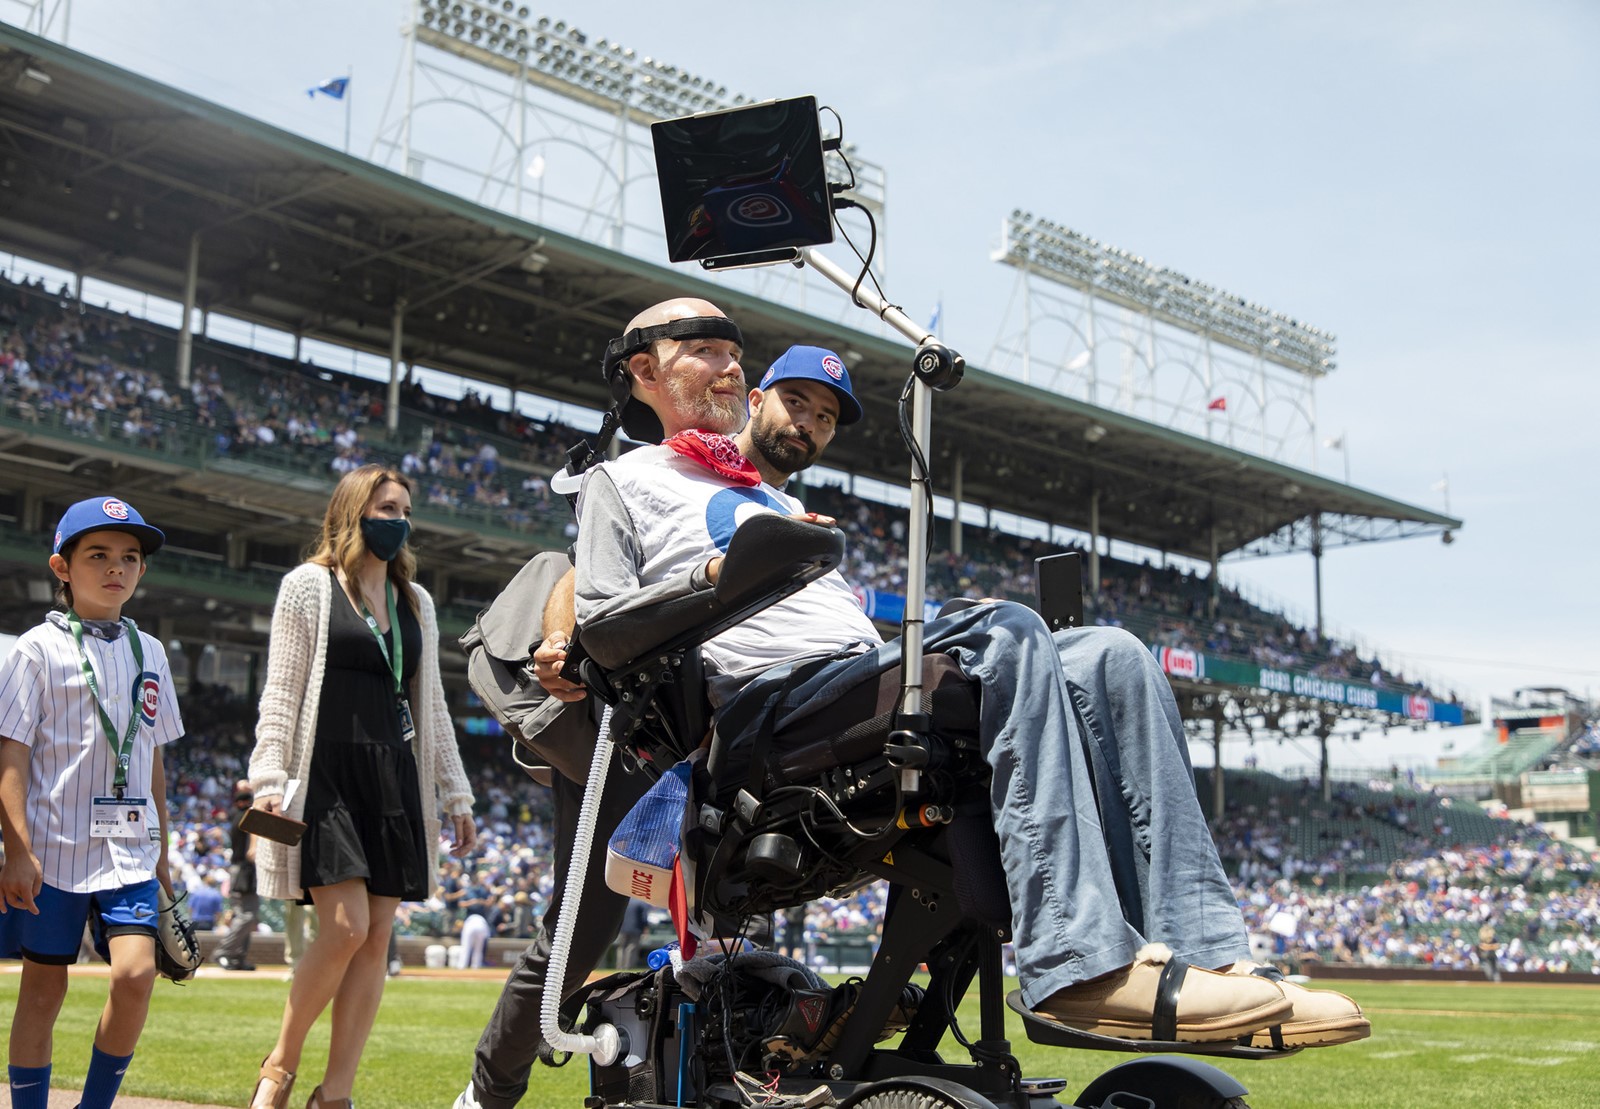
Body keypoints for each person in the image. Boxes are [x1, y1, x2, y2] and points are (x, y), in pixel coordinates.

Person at [574, 298, 1369, 1049]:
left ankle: (1213, 953)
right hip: (766, 717)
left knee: (1113, 656)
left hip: (847, 685)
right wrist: (721, 573)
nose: (729, 368)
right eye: (705, 351)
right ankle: (1076, 964)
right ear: (645, 371)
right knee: (1004, 627)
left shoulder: (774, 501)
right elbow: (604, 631)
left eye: (736, 355)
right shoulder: (625, 479)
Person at [246, 464, 477, 1109]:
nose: (396, 520)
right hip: (325, 774)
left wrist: (454, 792)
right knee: (344, 927)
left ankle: (337, 1094)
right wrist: (268, 778)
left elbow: (430, 705)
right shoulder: (308, 587)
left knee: (377, 936)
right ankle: (280, 1068)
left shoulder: (417, 603)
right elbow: (283, 690)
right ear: (352, 513)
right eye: (383, 508)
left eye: (403, 509)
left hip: (395, 776)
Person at [0, 496, 185, 1109]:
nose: (116, 568)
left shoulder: (151, 651)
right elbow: (12, 757)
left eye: (130, 557)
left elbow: (153, 758)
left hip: (130, 849)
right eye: (98, 555)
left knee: (135, 976)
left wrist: (162, 852)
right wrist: (17, 852)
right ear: (62, 566)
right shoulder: (35, 650)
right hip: (52, 850)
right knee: (42, 992)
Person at [215, 779, 259, 971]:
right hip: (243, 870)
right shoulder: (247, 817)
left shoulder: (236, 815)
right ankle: (224, 952)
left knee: (247, 915)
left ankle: (237, 957)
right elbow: (251, 852)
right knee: (247, 915)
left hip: (241, 870)